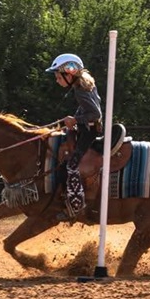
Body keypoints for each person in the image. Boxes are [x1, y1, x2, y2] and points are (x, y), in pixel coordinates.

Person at [45, 53, 103, 219]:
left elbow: (95, 114)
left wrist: (75, 120)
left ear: (69, 73)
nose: (57, 81)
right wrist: (75, 118)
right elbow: (88, 108)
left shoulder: (80, 91)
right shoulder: (85, 85)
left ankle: (75, 207)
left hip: (89, 133)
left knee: (71, 166)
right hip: (87, 130)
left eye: (58, 77)